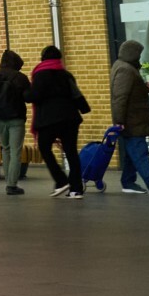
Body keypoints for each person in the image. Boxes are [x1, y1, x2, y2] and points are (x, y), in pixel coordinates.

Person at [27, 44, 91, 198]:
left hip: (49, 120)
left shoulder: (40, 75)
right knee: (71, 152)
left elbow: (33, 96)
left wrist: (24, 93)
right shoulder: (66, 75)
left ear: (43, 59)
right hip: (70, 119)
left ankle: (61, 180)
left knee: (44, 148)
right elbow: (75, 95)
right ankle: (76, 189)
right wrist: (84, 108)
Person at [111, 40, 149, 196]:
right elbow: (120, 97)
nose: (140, 57)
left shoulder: (125, 67)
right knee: (139, 151)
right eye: (139, 54)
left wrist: (145, 89)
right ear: (133, 53)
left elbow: (130, 92)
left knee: (132, 153)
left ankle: (128, 182)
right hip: (132, 120)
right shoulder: (125, 70)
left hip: (133, 119)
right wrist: (119, 121)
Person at [0, 49, 31, 195]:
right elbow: (29, 97)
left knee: (5, 149)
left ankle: (8, 182)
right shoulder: (20, 77)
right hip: (16, 118)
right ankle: (12, 184)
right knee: (15, 151)